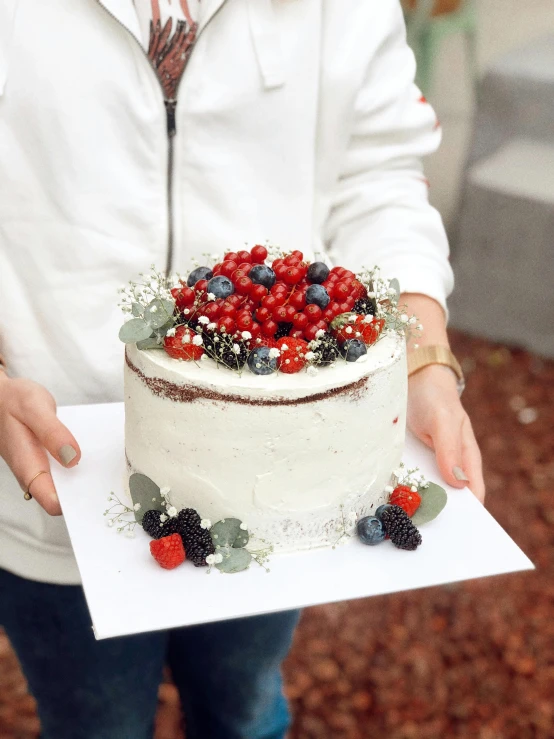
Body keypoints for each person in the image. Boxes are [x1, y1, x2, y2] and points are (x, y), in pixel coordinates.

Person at [0, 1, 485, 737]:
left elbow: (378, 169)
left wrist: (421, 353)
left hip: (277, 476)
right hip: (46, 480)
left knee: (245, 707)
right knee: (92, 722)